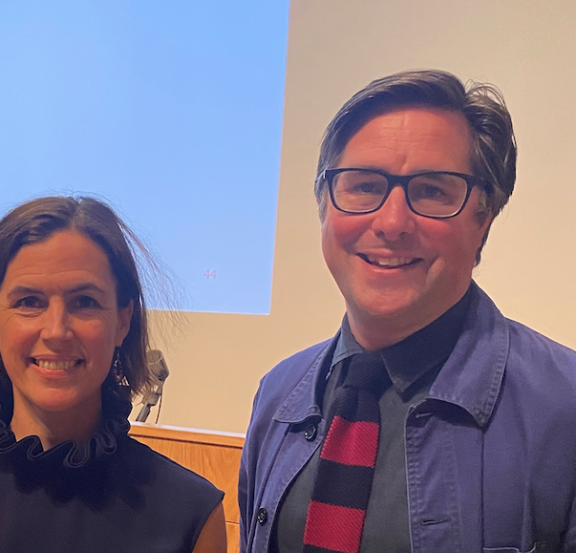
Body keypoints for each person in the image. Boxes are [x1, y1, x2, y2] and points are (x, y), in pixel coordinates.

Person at [239, 70, 576, 553]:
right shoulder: (277, 397)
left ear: (484, 219)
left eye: (433, 191)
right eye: (363, 186)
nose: (392, 222)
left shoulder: (565, 412)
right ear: (323, 206)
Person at [0, 196, 226, 553]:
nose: (56, 331)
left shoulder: (191, 514)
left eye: (84, 302)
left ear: (123, 320)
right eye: (29, 302)